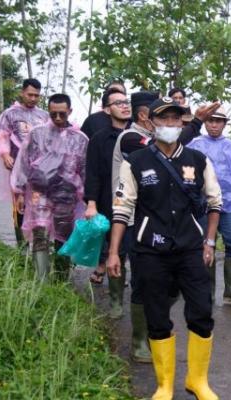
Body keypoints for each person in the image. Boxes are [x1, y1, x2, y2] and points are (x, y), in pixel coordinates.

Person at [107, 97, 222, 400]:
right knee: (157, 315)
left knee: (201, 311)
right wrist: (114, 252)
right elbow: (122, 208)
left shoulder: (198, 160)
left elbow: (214, 203)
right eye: (164, 119)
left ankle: (197, 380)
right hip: (150, 251)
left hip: (191, 249)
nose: (170, 124)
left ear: (183, 122)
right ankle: (165, 385)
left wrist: (209, 242)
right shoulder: (137, 161)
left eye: (176, 119)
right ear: (151, 123)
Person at [11, 93, 87, 281]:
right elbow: (23, 163)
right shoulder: (37, 133)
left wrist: (85, 197)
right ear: (49, 112)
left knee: (64, 236)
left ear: (70, 111)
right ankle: (42, 281)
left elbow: (84, 169)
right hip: (39, 193)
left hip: (66, 195)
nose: (58, 118)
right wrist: (20, 191)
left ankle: (61, 280)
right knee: (40, 233)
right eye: (53, 114)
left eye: (62, 114)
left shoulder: (81, 139)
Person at [189, 107, 231, 308]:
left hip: (230, 203)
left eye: (219, 121)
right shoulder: (195, 144)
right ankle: (208, 292)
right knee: (208, 243)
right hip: (204, 204)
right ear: (205, 122)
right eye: (211, 120)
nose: (214, 124)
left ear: (225, 124)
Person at [84, 88, 131, 318]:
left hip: (141, 205)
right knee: (117, 250)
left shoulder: (139, 136)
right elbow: (92, 173)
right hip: (109, 201)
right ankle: (116, 300)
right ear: (106, 109)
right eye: (118, 102)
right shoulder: (99, 139)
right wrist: (91, 204)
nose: (124, 105)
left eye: (126, 101)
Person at [0, 78, 49, 247]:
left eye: (36, 96)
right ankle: (21, 246)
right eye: (30, 94)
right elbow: (1, 134)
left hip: (38, 169)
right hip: (17, 169)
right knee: (20, 205)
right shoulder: (11, 114)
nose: (33, 98)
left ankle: (39, 246)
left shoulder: (43, 115)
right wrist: (4, 154)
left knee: (39, 205)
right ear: (22, 92)